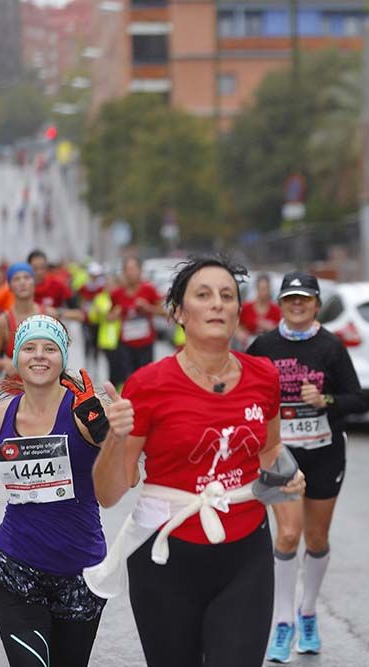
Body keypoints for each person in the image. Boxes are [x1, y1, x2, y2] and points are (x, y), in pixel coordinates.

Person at [87, 256, 305, 667]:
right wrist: (116, 438)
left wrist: (289, 494)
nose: (217, 304)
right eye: (203, 295)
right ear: (179, 312)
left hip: (245, 555)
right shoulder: (147, 385)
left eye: (227, 296)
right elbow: (109, 493)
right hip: (165, 556)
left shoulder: (264, 377)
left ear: (239, 311)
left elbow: (271, 451)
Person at [0, 314, 135, 667]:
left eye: (50, 348)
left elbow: (131, 479)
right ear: (18, 356)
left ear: (64, 357)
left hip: (80, 574)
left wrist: (107, 437)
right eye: (29, 347)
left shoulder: (88, 411)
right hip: (14, 569)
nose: (39, 355)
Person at [247, 272, 367, 663]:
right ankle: (283, 623)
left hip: (324, 454)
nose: (297, 305)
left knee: (315, 538)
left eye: (305, 299)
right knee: (287, 535)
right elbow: (242, 391)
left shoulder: (330, 347)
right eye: (290, 299)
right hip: (281, 455)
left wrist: (326, 399)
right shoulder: (264, 345)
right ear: (280, 303)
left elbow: (357, 398)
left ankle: (309, 611)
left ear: (316, 304)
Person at [108, 255, 163, 386]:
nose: (130, 273)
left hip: (145, 343)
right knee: (129, 379)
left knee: (146, 378)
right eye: (127, 269)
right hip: (126, 343)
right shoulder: (117, 293)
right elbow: (109, 317)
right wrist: (115, 314)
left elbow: (163, 312)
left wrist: (147, 307)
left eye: (133, 269)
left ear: (140, 270)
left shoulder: (149, 290)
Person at [236, 273, 282, 349]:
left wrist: (271, 328)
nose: (263, 293)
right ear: (256, 288)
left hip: (269, 348)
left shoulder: (276, 309)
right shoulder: (246, 307)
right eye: (261, 289)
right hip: (247, 347)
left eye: (265, 289)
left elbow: (283, 329)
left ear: (269, 289)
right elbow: (235, 324)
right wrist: (240, 334)